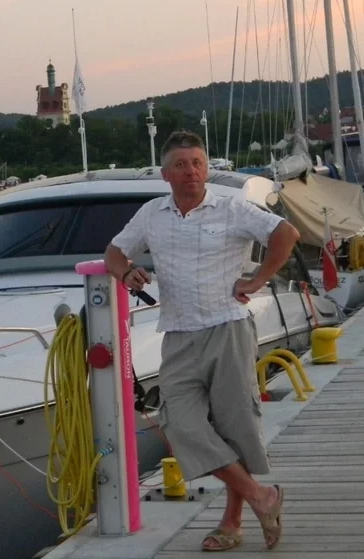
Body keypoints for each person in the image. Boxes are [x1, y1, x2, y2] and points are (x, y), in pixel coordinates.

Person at [104, 130, 300, 552]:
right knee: (181, 424)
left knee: (234, 428)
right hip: (177, 335)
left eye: (197, 163)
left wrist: (258, 279)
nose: (191, 171)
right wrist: (126, 272)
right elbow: (114, 252)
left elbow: (286, 234)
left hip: (227, 329)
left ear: (206, 169)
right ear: (165, 174)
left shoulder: (232, 208)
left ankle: (232, 523)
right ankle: (261, 496)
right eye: (181, 165)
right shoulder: (151, 214)